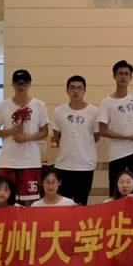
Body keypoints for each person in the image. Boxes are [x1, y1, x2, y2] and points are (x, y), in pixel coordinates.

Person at [0, 69, 49, 206]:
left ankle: (28, 221)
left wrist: (27, 138)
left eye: (24, 83)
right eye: (18, 83)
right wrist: (11, 131)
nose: (21, 86)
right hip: (7, 161)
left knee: (30, 200)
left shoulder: (39, 105)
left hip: (30, 161)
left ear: (29, 84)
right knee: (6, 199)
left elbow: (45, 132)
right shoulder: (3, 105)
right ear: (12, 84)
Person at [97, 60, 133, 198]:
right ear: (114, 76)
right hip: (117, 153)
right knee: (116, 189)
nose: (123, 77)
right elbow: (102, 130)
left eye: (126, 74)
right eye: (120, 73)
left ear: (131, 77)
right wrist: (126, 137)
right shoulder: (106, 103)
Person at [52, 75, 99, 206]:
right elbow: (56, 136)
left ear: (85, 90)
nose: (76, 91)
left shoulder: (94, 112)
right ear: (67, 90)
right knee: (63, 204)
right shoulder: (59, 111)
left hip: (85, 165)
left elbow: (96, 137)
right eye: (72, 88)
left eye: (79, 88)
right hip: (63, 165)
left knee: (81, 204)